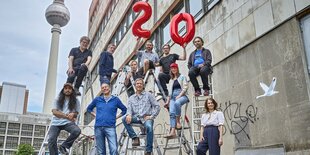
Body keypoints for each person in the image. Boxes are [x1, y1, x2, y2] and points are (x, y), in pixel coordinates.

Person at [122, 78, 161, 155]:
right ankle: (134, 137)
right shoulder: (131, 98)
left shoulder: (149, 95)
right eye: (137, 84)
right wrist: (129, 115)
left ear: (143, 85)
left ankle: (148, 150)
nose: (139, 85)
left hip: (147, 118)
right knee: (124, 119)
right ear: (135, 85)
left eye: (140, 83)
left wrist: (152, 116)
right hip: (137, 118)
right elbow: (129, 109)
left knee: (149, 127)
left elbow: (157, 106)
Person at [87, 82, 127, 155]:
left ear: (109, 88)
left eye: (106, 87)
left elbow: (124, 110)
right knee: (101, 151)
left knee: (114, 149)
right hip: (98, 127)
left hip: (110, 127)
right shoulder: (97, 99)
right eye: (102, 88)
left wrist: (116, 117)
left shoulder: (115, 99)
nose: (104, 88)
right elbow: (89, 109)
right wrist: (95, 115)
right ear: (101, 90)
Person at [48, 83, 81, 155]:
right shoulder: (57, 99)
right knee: (51, 140)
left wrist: (73, 114)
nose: (67, 90)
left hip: (68, 123)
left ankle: (64, 146)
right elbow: (54, 112)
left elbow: (76, 113)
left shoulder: (76, 101)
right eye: (65, 88)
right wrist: (66, 116)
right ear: (63, 90)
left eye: (69, 88)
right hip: (56, 123)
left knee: (77, 130)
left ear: (72, 90)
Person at [163, 63, 189, 138]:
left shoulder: (182, 77)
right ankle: (173, 131)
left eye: (175, 68)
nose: (173, 69)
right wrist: (167, 102)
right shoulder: (171, 80)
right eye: (172, 68)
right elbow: (169, 93)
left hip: (182, 96)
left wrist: (179, 95)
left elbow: (185, 87)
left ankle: (178, 122)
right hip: (173, 97)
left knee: (177, 103)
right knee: (171, 113)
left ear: (177, 69)